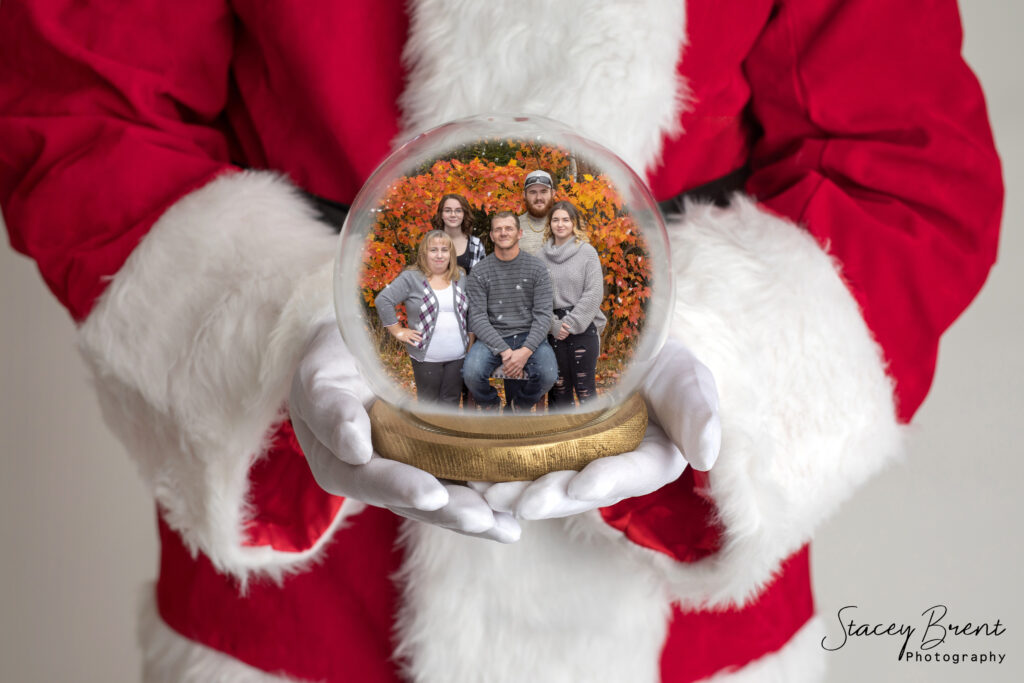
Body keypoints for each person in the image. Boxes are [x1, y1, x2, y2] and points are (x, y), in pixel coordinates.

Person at [0, 2, 1002, 681]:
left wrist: (718, 350)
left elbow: (903, 162)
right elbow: (84, 109)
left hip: (684, 622)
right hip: (305, 608)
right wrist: (270, 336)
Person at [461, 212, 558, 411]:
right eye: (498, 229)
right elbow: (477, 318)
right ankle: (491, 405)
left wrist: (525, 351)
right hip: (493, 337)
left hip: (530, 336)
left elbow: (543, 316)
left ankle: (518, 407)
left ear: (519, 233)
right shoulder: (480, 272)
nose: (503, 233)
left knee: (549, 374)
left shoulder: (537, 269)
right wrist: (504, 351)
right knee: (471, 373)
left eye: (509, 228)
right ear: (491, 235)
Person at [374, 230, 470, 406]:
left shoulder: (460, 277)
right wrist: (397, 331)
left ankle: (448, 434)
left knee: (451, 403)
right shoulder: (411, 278)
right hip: (427, 358)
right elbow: (383, 300)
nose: (439, 255)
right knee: (429, 406)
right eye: (433, 250)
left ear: (451, 254)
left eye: (444, 250)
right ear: (424, 253)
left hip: (457, 357)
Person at [538, 201, 606, 409]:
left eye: (565, 220)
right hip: (553, 330)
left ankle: (592, 438)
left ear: (574, 223)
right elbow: (536, 298)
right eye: (555, 220)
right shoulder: (540, 256)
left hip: (583, 326)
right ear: (549, 224)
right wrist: (553, 325)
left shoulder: (587, 253)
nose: (560, 224)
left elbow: (594, 293)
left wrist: (570, 324)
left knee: (585, 389)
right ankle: (561, 439)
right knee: (559, 391)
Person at [430, 193, 486, 274]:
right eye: (448, 210)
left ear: (464, 214)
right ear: (441, 214)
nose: (453, 215)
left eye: (458, 210)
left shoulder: (476, 245)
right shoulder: (430, 243)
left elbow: (483, 279)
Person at [517, 169, 556, 255]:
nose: (539, 197)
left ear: (553, 193)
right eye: (533, 192)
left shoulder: (566, 225)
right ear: (524, 195)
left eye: (544, 191)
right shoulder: (513, 226)